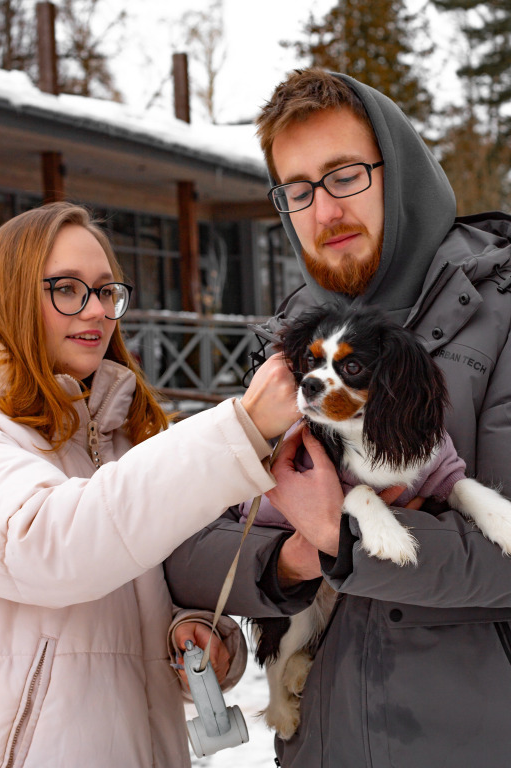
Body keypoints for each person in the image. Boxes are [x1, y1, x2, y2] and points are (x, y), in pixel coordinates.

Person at [166, 68, 511, 768]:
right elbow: (187, 545)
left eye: (344, 176)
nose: (323, 212)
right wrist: (293, 557)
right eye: (297, 191)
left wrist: (335, 534)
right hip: (321, 746)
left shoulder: (500, 311)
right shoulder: (287, 344)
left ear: (400, 171)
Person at [0, 201, 300, 768]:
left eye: (106, 290)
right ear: (13, 296)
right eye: (67, 288)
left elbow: (135, 579)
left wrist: (195, 639)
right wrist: (240, 429)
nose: (95, 310)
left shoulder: (125, 434)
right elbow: (53, 545)